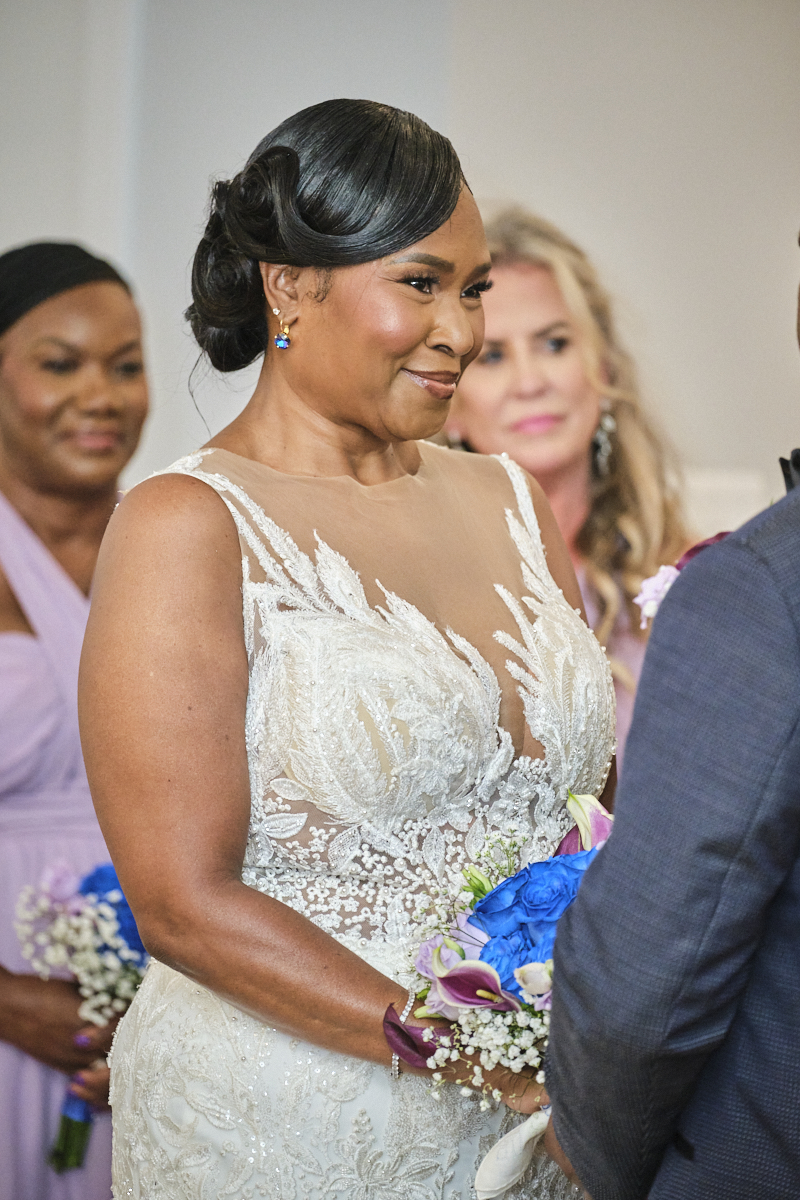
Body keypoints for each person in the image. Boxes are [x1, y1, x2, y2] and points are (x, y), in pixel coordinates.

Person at [79, 99, 616, 1200]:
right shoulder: (187, 525)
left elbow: (586, 821)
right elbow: (182, 902)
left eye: (473, 288)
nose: (460, 332)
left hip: (546, 1121)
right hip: (291, 1128)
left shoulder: (512, 502)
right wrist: (475, 1055)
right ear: (288, 284)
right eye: (420, 284)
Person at [543, 260, 800, 1197]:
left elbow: (647, 987)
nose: (526, 378)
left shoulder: (745, 586)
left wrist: (601, 1161)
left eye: (554, 342)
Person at [0, 242, 149, 1200]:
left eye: (125, 366)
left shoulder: (181, 544)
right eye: (60, 363)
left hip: (158, 1003)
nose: (101, 396)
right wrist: (9, 1003)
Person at [446, 208, 690, 764]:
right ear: (450, 401)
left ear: (603, 370)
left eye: (554, 344)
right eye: (493, 356)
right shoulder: (415, 588)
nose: (530, 382)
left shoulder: (686, 580)